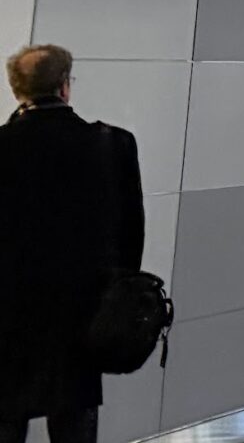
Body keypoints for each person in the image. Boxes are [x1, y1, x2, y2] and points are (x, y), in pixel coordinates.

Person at [0, 45, 143, 443]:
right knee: (74, 422)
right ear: (65, 87)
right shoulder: (112, 145)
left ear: (17, 92)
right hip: (83, 316)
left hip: (8, 319)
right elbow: (131, 236)